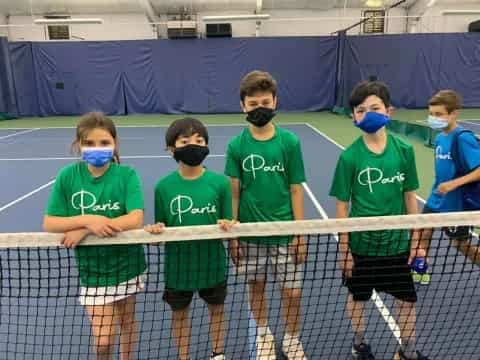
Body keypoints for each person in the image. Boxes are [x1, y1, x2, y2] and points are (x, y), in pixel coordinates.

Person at [329, 81, 429, 360]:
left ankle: (407, 350)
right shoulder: (349, 157)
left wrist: (417, 242)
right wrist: (344, 250)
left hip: (397, 245)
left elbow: (411, 198)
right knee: (357, 297)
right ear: (353, 117)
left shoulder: (404, 151)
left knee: (407, 300)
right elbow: (341, 205)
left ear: (389, 111)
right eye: (361, 110)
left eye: (375, 108)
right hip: (361, 246)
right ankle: (360, 344)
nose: (368, 114)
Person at [44, 112, 146, 360]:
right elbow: (50, 222)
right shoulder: (68, 176)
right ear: (79, 144)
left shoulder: (127, 175)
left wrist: (87, 229)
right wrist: (88, 220)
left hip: (127, 265)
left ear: (115, 143)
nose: (96, 148)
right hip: (92, 272)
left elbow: (135, 218)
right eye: (89, 143)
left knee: (127, 322)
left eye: (103, 143)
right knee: (103, 339)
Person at [225, 70, 307, 360]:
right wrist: (234, 235)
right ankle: (263, 336)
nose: (259, 108)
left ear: (275, 102)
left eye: (265, 101)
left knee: (292, 294)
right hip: (250, 234)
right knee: (256, 288)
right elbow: (234, 193)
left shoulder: (290, 143)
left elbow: (296, 190)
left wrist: (300, 233)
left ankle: (292, 339)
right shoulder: (236, 146)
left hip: (285, 232)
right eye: (253, 103)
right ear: (243, 106)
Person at [145, 118, 235, 360]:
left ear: (206, 145)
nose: (193, 145)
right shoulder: (163, 187)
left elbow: (230, 222)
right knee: (179, 315)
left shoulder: (219, 183)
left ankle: (218, 354)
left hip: (212, 264)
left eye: (199, 140)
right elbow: (161, 230)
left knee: (216, 310)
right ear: (171, 149)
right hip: (179, 268)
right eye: (185, 141)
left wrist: (228, 225)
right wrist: (156, 231)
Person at [423, 90, 480, 267]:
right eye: (431, 114)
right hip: (436, 197)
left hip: (455, 203)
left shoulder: (464, 138)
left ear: (454, 113)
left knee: (460, 244)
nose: (433, 118)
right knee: (421, 231)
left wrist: (453, 184)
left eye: (438, 114)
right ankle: (419, 269)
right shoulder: (440, 137)